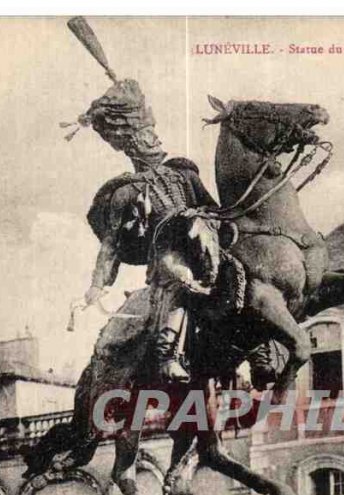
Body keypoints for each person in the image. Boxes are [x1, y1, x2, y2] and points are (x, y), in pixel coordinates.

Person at [69, 78, 276, 388]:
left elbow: (212, 207)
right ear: (132, 145)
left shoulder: (183, 173)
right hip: (167, 255)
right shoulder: (125, 192)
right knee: (181, 282)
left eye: (153, 133)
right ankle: (169, 355)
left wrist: (218, 221)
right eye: (145, 136)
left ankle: (259, 352)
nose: (155, 140)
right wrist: (97, 286)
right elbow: (111, 245)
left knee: (245, 276)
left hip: (205, 246)